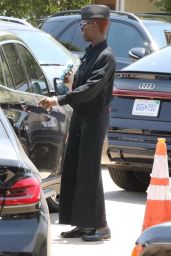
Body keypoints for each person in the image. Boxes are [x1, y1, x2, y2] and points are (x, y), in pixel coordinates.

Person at [38, 4, 116, 242]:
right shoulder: (90, 52)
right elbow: (80, 85)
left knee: (89, 172)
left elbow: (91, 89)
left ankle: (101, 226)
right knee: (75, 169)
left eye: (83, 25)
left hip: (94, 118)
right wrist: (70, 82)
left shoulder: (106, 56)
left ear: (96, 25)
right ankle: (83, 223)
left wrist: (58, 99)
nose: (81, 29)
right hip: (81, 117)